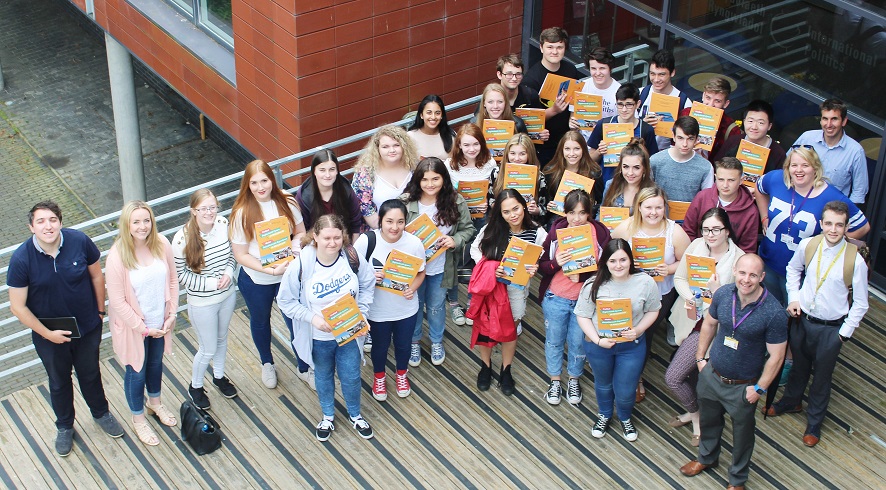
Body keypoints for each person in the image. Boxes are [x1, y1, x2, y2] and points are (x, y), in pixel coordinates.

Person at [7, 201, 124, 456]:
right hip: (48, 334)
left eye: (52, 220)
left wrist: (100, 311)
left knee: (91, 373)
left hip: (86, 326)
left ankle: (101, 413)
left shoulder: (79, 241)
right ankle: (64, 427)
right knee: (59, 381)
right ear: (31, 227)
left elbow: (96, 276)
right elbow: (18, 307)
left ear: (60, 221)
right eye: (41, 221)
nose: (47, 226)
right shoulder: (21, 259)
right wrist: (47, 334)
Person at [680, 254, 788, 490]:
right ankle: (706, 459)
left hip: (743, 386)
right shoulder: (723, 294)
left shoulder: (774, 312)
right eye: (742, 273)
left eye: (752, 275)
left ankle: (737, 480)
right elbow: (709, 324)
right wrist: (700, 359)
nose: (746, 279)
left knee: (742, 437)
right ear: (735, 272)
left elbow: (777, 356)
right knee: (709, 422)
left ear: (762, 277)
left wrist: (759, 388)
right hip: (712, 375)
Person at [766, 201, 869, 447]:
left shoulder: (855, 261)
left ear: (846, 228)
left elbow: (862, 304)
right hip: (803, 320)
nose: (833, 229)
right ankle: (792, 401)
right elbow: (792, 270)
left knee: (822, 377)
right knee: (799, 365)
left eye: (839, 225)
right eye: (829, 223)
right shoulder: (809, 245)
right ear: (821, 224)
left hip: (831, 328)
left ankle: (814, 422)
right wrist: (794, 298)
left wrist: (844, 334)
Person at [276, 215, 376, 441]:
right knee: (323, 375)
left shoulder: (351, 256)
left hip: (349, 331)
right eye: (327, 238)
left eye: (337, 237)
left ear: (343, 237)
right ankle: (328, 416)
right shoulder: (302, 264)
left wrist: (362, 312)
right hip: (319, 336)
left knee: (351, 375)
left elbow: (368, 284)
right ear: (315, 238)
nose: (332, 243)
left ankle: (355, 415)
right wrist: (313, 319)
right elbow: (285, 301)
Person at [665, 208, 744, 447]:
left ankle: (697, 416)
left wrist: (717, 293)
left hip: (712, 329)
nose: (710, 234)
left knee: (674, 377)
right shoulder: (696, 245)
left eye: (716, 229)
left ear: (727, 231)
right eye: (706, 229)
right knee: (687, 374)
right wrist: (691, 296)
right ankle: (695, 412)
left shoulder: (738, 259)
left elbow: (739, 301)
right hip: (689, 318)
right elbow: (679, 278)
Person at [754, 146, 870, 305]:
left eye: (805, 165)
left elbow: (862, 227)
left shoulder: (830, 196)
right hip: (767, 264)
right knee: (764, 309)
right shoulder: (776, 179)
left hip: (801, 275)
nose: (798, 170)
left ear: (815, 168)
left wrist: (829, 244)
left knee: (792, 318)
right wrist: (764, 216)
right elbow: (759, 188)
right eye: (794, 165)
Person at [106, 201, 179, 446]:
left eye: (146, 220)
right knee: (136, 371)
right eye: (136, 221)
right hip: (134, 328)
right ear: (127, 224)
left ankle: (154, 404)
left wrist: (172, 314)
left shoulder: (162, 244)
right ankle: (138, 419)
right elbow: (117, 301)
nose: (142, 226)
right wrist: (143, 328)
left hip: (160, 323)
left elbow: (172, 280)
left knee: (156, 364)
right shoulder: (117, 255)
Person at [230, 159, 308, 390]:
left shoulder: (287, 201)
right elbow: (241, 255)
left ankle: (304, 366)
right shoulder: (241, 213)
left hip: (287, 274)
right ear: (247, 185)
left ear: (272, 180)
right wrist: (270, 269)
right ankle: (267, 362)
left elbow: (300, 232)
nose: (260, 187)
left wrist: (293, 254)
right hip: (257, 279)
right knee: (261, 321)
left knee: (295, 321)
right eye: (254, 183)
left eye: (264, 180)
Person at [575, 239, 661, 441]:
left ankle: (624, 417)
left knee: (626, 388)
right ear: (605, 262)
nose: (619, 265)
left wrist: (639, 330)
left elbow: (653, 310)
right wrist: (597, 340)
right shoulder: (593, 284)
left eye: (623, 259)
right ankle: (604, 414)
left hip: (631, 346)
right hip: (600, 345)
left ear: (630, 260)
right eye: (613, 261)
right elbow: (583, 315)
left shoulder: (645, 282)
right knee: (603, 383)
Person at [612, 186, 690, 401]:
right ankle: (617, 368)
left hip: (659, 293)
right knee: (623, 328)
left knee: (642, 335)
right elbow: (609, 250)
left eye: (658, 207)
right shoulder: (627, 227)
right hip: (628, 291)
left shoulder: (674, 231)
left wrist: (670, 269)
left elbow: (687, 260)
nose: (653, 212)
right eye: (648, 207)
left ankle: (636, 377)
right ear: (639, 207)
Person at [469, 189, 547, 395]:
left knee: (510, 330)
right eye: (506, 212)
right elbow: (475, 250)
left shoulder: (537, 232)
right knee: (485, 328)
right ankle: (486, 366)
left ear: (524, 206)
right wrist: (489, 266)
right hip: (492, 288)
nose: (513, 215)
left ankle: (506, 368)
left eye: (516, 208)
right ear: (500, 213)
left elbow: (544, 257)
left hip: (516, 290)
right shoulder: (491, 229)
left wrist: (536, 267)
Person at [538, 189, 610, 406]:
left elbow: (607, 267)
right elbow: (543, 266)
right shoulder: (556, 232)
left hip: (585, 300)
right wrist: (556, 262)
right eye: (571, 213)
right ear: (565, 212)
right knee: (554, 340)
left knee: (578, 342)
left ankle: (574, 379)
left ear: (590, 212)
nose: (576, 219)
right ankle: (554, 380)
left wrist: (585, 274)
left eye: (582, 213)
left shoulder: (600, 233)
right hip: (556, 296)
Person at [404, 158, 475, 366]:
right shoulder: (406, 202)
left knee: (436, 306)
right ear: (417, 181)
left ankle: (436, 340)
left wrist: (455, 240)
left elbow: (468, 229)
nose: (430, 184)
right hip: (414, 268)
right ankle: (414, 341)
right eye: (424, 179)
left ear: (444, 179)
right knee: (414, 306)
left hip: (441, 265)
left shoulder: (456, 201)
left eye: (435, 178)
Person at [354, 200, 426, 401]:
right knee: (379, 346)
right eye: (389, 221)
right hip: (377, 310)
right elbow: (352, 272)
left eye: (400, 221)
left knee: (404, 345)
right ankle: (379, 377)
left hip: (405, 308)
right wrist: (369, 277)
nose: (395, 227)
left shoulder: (414, 243)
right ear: (380, 221)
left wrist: (412, 288)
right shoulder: (365, 241)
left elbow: (421, 273)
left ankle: (401, 375)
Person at [172, 189, 238, 410]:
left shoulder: (222, 224)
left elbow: (232, 255)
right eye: (204, 209)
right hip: (203, 302)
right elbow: (181, 275)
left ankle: (219, 376)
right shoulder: (182, 238)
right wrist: (211, 284)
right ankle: (196, 386)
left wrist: (229, 273)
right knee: (207, 347)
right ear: (194, 211)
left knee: (221, 338)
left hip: (227, 296)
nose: (209, 212)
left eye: (212, 207)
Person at [444, 123, 497, 326]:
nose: (472, 149)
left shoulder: (490, 163)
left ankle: (473, 301)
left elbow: (495, 194)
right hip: (456, 221)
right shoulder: (449, 165)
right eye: (466, 145)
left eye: (475, 144)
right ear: (459, 146)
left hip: (482, 219)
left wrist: (489, 203)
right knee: (455, 260)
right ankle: (455, 303)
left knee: (477, 260)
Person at [521, 27, 583, 164]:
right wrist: (554, 110)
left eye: (559, 47)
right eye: (550, 47)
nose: (554, 52)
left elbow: (575, 100)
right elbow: (528, 120)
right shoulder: (531, 79)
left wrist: (573, 117)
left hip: (567, 140)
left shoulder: (570, 69)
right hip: (544, 145)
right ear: (541, 48)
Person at [790, 98, 868, 204]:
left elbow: (859, 192)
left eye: (834, 119)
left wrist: (844, 215)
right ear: (821, 120)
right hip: (798, 203)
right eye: (825, 119)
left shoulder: (855, 151)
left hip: (829, 212)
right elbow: (786, 167)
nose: (829, 124)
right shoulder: (807, 138)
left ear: (844, 121)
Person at [682, 157, 760, 254]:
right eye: (721, 179)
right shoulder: (702, 197)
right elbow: (688, 231)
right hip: (699, 256)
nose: (725, 185)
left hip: (731, 261)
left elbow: (747, 249)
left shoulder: (751, 211)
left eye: (731, 180)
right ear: (715, 177)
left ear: (741, 180)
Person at [587, 83, 660, 183]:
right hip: (605, 182)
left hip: (633, 183)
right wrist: (599, 152)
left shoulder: (646, 130)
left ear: (638, 104)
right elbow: (590, 158)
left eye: (629, 104)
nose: (624, 109)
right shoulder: (604, 124)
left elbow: (652, 163)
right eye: (620, 105)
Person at [351, 125, 419, 230]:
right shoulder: (365, 174)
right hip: (380, 232)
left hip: (415, 230)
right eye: (385, 147)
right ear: (377, 149)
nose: (391, 150)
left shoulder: (415, 169)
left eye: (396, 145)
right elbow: (367, 211)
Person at [295, 149, 362, 241]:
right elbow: (303, 231)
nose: (327, 175)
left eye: (332, 170)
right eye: (322, 170)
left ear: (337, 171)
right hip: (315, 244)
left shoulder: (346, 190)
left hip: (343, 241)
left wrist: (353, 250)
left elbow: (355, 223)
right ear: (314, 171)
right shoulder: (304, 197)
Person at [649, 116, 715, 205]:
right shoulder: (655, 161)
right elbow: (646, 193)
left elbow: (707, 201)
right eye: (680, 138)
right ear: (673, 136)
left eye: (690, 139)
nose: (685, 144)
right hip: (658, 216)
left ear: (697, 139)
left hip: (690, 217)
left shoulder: (706, 167)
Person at [542, 130, 604, 222]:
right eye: (567, 149)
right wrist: (548, 205)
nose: (572, 153)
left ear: (583, 149)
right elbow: (544, 202)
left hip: (585, 221)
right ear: (561, 150)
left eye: (576, 149)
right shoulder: (550, 172)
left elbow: (600, 203)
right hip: (558, 221)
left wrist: (589, 208)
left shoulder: (594, 173)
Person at [713, 99, 787, 174]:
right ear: (744, 121)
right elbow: (716, 167)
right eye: (750, 121)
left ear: (769, 126)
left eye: (761, 123)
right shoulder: (733, 141)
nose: (754, 127)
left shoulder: (778, 154)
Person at [678, 77, 741, 161]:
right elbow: (672, 142)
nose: (710, 105)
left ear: (726, 104)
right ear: (703, 96)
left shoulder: (731, 130)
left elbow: (728, 163)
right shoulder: (686, 114)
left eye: (717, 101)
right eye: (708, 98)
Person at [490, 133, 549, 218]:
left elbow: (544, 207)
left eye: (522, 154)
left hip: (528, 221)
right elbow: (491, 200)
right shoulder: (496, 173)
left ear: (529, 154)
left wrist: (536, 210)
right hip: (503, 221)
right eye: (513, 153)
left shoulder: (539, 177)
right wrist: (498, 207)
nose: (517, 158)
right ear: (507, 153)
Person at [570, 47, 621, 140]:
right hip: (583, 142)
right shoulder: (581, 86)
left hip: (608, 143)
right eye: (593, 68)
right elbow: (573, 116)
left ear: (610, 68)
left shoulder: (620, 91)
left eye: (602, 68)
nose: (597, 73)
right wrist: (572, 123)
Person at [599, 138, 656, 215]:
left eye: (636, 168)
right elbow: (601, 214)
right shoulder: (610, 185)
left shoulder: (653, 192)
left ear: (645, 169)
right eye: (626, 167)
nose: (630, 173)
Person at [407, 94, 456, 160]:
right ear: (421, 115)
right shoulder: (410, 136)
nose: (433, 117)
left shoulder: (451, 136)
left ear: (442, 115)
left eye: (437, 113)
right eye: (429, 113)